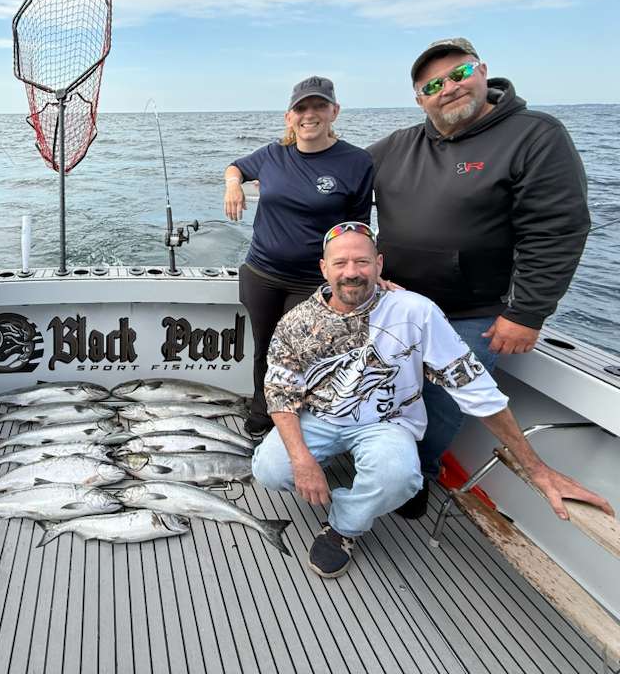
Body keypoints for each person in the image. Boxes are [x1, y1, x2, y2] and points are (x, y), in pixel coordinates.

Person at [251, 222, 613, 578]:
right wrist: (302, 461)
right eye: (341, 263)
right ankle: (332, 471)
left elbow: (474, 388)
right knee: (270, 469)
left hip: (386, 421)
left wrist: (538, 469)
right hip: (320, 417)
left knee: (399, 479)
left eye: (362, 262)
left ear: (379, 264)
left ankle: (344, 526)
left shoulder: (415, 311)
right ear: (324, 268)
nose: (352, 272)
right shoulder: (297, 321)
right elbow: (281, 392)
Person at [368, 38, 591, 518]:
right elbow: (335, 172)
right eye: (432, 84)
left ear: (483, 70)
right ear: (419, 98)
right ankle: (381, 463)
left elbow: (557, 230)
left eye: (458, 74)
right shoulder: (398, 146)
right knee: (387, 389)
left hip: (474, 313)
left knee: (446, 404)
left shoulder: (535, 135)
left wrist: (527, 312)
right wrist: (256, 172)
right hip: (396, 303)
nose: (447, 88)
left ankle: (417, 475)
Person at [224, 77, 374, 437]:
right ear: (289, 116)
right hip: (261, 272)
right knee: (264, 348)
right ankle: (263, 411)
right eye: (302, 108)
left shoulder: (356, 161)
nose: (310, 114)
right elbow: (236, 167)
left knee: (305, 354)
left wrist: (368, 268)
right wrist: (233, 185)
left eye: (319, 106)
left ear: (334, 112)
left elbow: (358, 227)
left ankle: (301, 422)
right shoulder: (273, 154)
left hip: (313, 279)